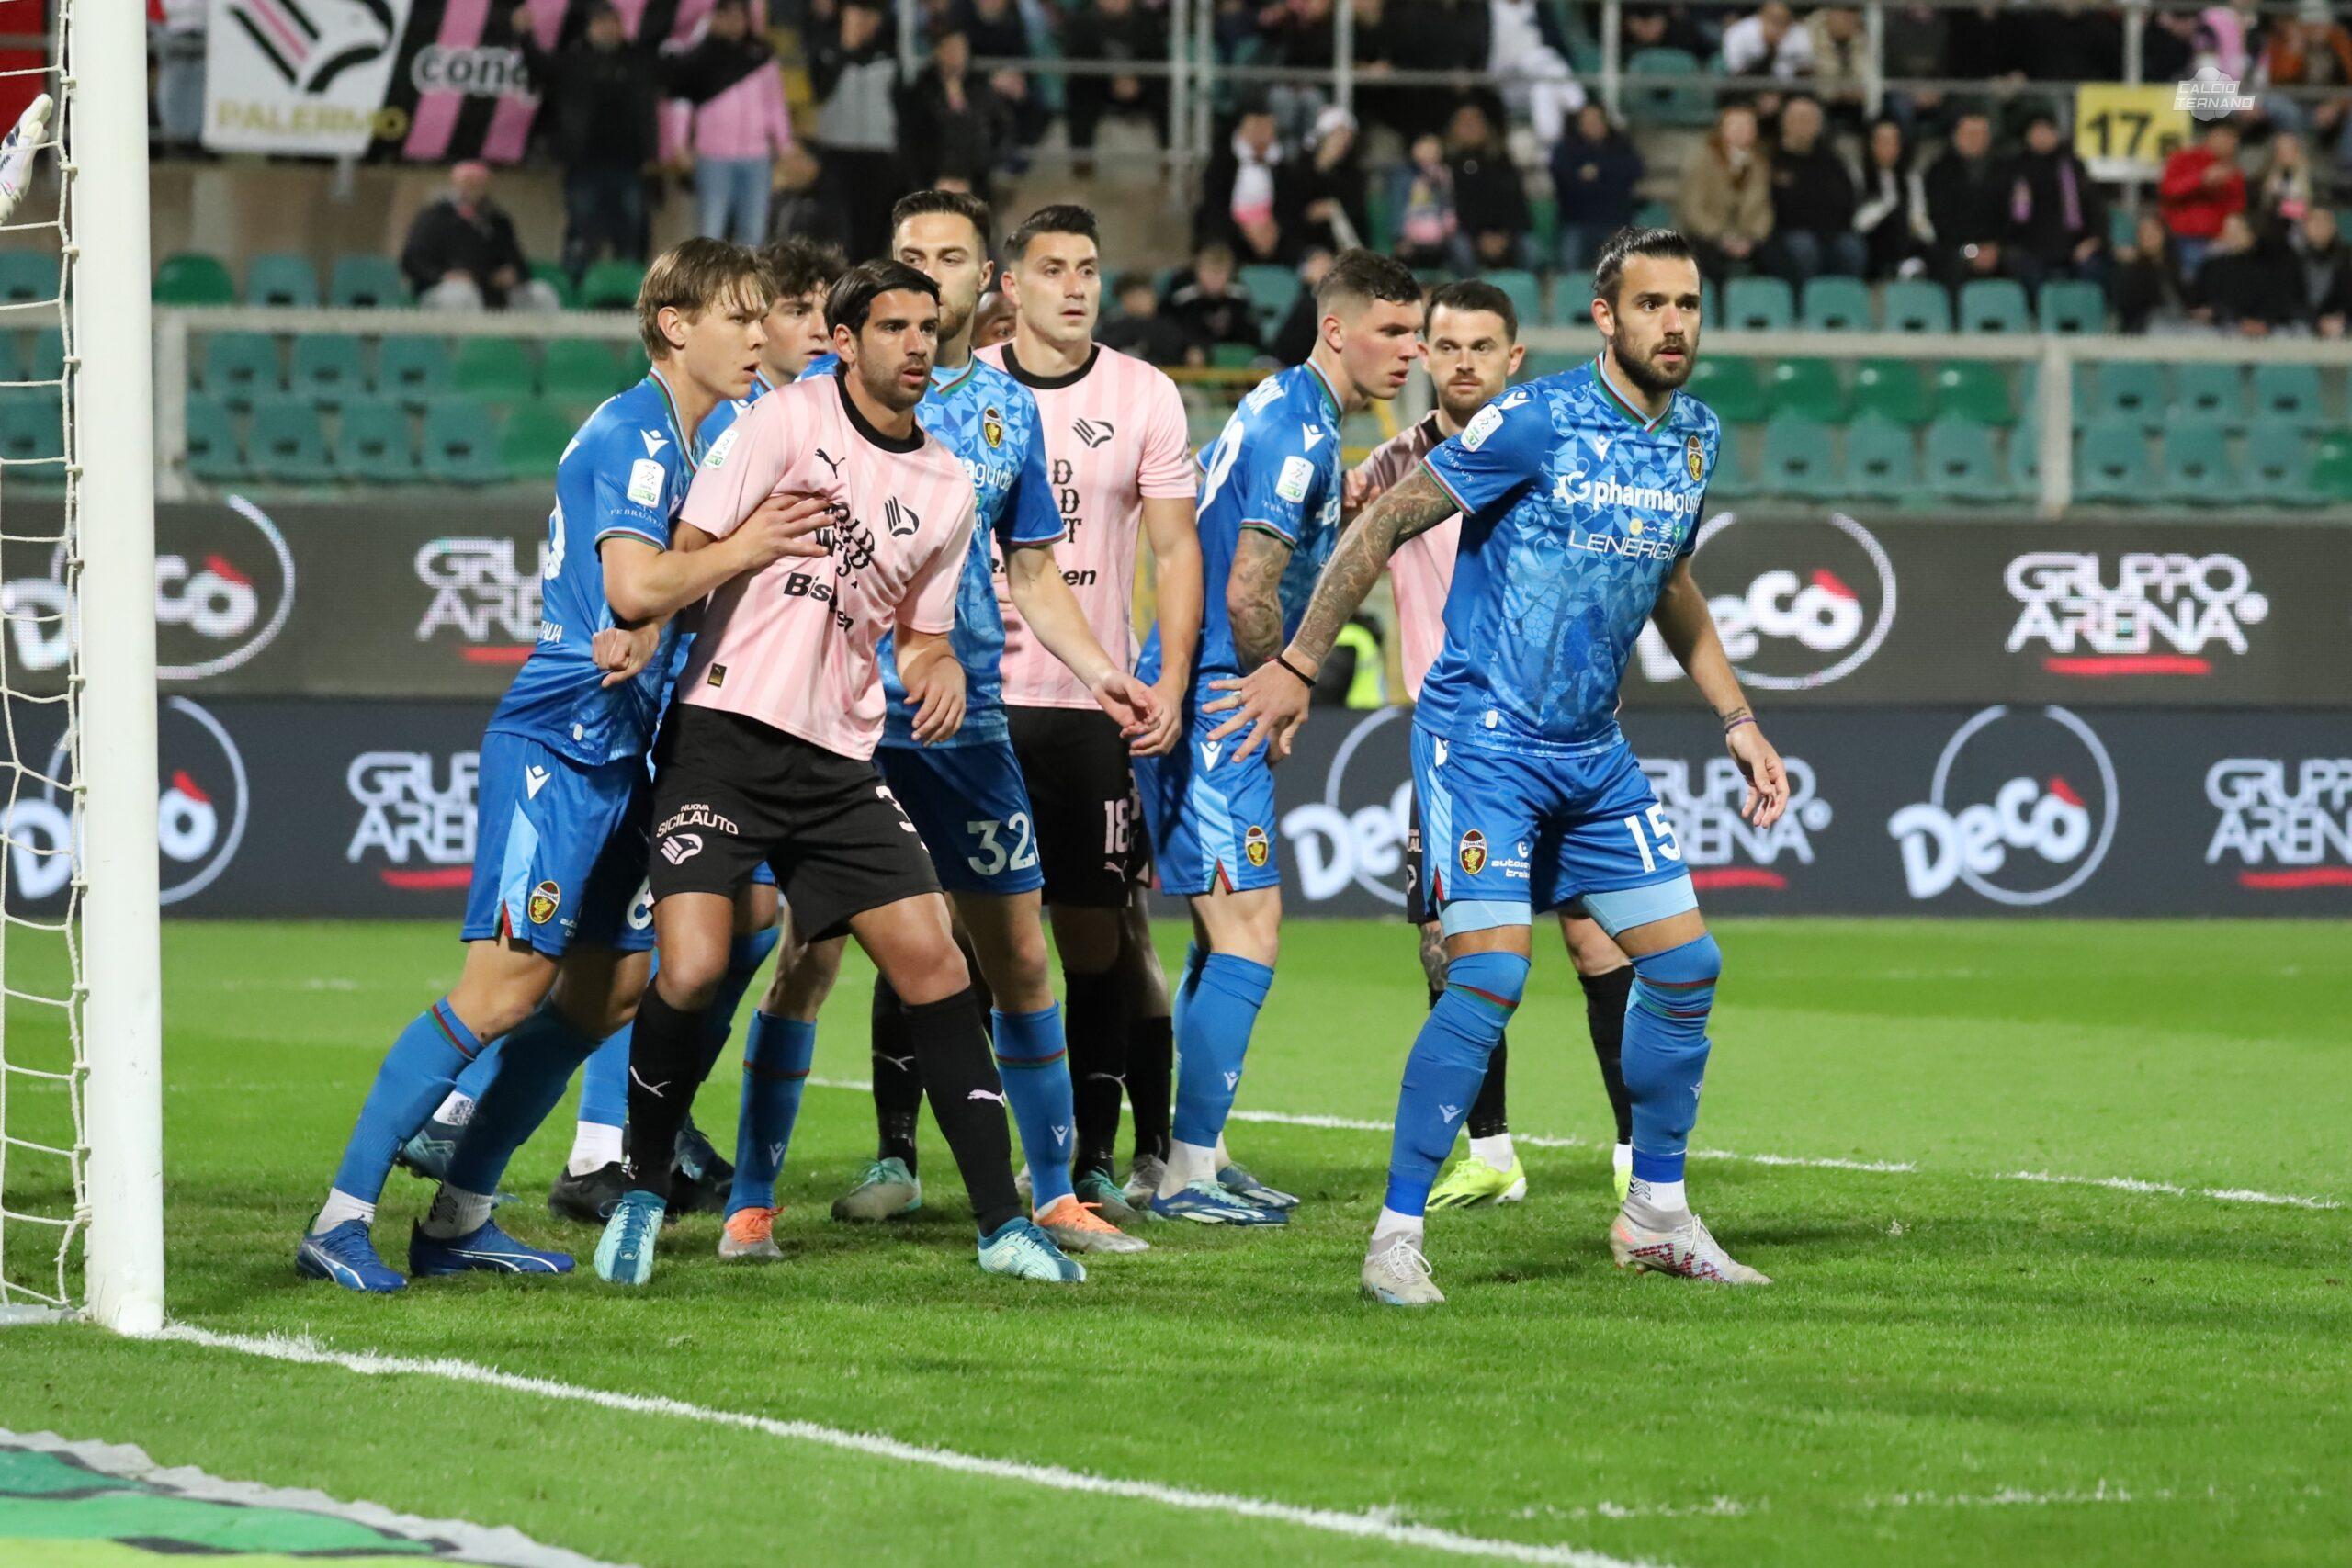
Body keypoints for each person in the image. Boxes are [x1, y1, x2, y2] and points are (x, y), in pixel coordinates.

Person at [1204, 226, 1791, 1306]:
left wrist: (1737, 718)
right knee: (1487, 974)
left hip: (1591, 751)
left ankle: (1656, 1216)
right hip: (1481, 742)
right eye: (1651, 304)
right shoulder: (1536, 419)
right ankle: (1393, 1239)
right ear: (1605, 316)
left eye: (1688, 305)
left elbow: (1671, 585)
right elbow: (1385, 519)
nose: (1674, 325)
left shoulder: (1693, 438)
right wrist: (1296, 662)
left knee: (1686, 967)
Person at [294, 240, 830, 1292]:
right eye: (737, 316)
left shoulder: (703, 436)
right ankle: (340, 1218)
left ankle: (459, 1220)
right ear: (674, 325)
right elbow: (631, 585)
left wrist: (664, 620)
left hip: (627, 751)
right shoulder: (635, 436)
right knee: (501, 992)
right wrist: (737, 552)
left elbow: (654, 601)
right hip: (560, 743)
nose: (757, 335)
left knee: (604, 997)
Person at [594, 260, 1092, 1287]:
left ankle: (1003, 1227)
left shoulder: (947, 485)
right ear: (846, 339)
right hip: (724, 736)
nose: (916, 344)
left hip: (838, 761)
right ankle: (639, 1192)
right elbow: (683, 553)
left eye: (927, 327)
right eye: (893, 326)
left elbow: (921, 637)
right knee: (691, 968)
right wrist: (658, 617)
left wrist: (938, 665)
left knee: (937, 965)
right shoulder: (780, 423)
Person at [774, 192, 1173, 1258]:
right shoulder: (815, 402)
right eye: (909, 257)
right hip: (836, 721)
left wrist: (1104, 673)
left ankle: (1053, 1196)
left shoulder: (1004, 413)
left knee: (1020, 957)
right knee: (796, 958)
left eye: (949, 258)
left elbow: (1033, 574)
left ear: (980, 278)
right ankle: (743, 1196)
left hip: (969, 725)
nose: (928, 277)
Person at [1129, 248, 1426, 1224]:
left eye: (1415, 332)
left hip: (1205, 689)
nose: (1410, 350)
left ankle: (1192, 1153)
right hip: (1218, 695)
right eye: (1392, 330)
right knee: (1250, 931)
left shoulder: (1286, 407)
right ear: (1335, 328)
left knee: (1220, 931)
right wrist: (1282, 683)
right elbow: (1249, 589)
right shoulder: (1299, 432)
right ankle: (1182, 1174)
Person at [1345, 279, 1638, 1210]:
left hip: (1559, 737)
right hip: (1455, 748)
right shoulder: (1389, 468)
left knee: (1598, 942)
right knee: (1452, 946)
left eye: (1483, 346)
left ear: (1514, 358)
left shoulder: (1564, 450)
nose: (1464, 361)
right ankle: (1493, 1152)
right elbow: (1332, 544)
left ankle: (1635, 1154)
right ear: (1424, 356)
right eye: (1448, 345)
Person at [982, 204, 1205, 1215]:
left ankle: (1091, 1157)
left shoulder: (1143, 392)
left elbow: (1175, 548)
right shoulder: (965, 391)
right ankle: (962, 1156)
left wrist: (1170, 678)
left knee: (1096, 939)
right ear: (1011, 284)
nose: (1074, 287)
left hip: (1089, 705)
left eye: (1088, 268)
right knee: (967, 944)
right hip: (977, 703)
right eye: (1053, 269)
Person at [513, 2, 662, 280]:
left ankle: (629, 294)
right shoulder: (573, 61)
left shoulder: (637, 62)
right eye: (601, 23)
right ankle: (577, 291)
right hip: (583, 165)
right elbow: (540, 68)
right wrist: (525, 36)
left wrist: (651, 156)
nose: (608, 29)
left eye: (613, 23)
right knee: (582, 236)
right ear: (590, 28)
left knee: (630, 236)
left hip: (628, 166)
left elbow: (649, 112)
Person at [662, 0, 793, 247]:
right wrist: (679, 143)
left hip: (756, 157)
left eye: (738, 16)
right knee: (711, 232)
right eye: (726, 15)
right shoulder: (700, 58)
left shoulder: (762, 57)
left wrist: (784, 145)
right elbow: (683, 102)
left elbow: (775, 105)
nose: (733, 22)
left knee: (754, 235)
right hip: (714, 157)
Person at [398, 161, 562, 310]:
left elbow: (519, 263)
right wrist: (445, 276)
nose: (474, 187)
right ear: (456, 183)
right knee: (462, 294)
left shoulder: (498, 221)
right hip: (443, 292)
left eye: (479, 182)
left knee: (541, 294)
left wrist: (513, 274)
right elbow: (411, 262)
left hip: (492, 292)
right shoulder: (434, 217)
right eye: (468, 181)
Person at [808, 0, 901, 262]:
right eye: (859, 15)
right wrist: (845, 48)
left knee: (873, 234)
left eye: (871, 15)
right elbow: (820, 90)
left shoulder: (889, 53)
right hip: (837, 153)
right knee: (838, 235)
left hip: (879, 155)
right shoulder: (825, 48)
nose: (866, 22)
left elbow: (903, 106)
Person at [897, 26, 1010, 199]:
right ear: (938, 52)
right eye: (951, 48)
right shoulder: (921, 92)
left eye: (961, 48)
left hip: (975, 183)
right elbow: (910, 140)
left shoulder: (981, 90)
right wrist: (929, 179)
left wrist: (983, 169)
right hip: (931, 184)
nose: (957, 55)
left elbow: (1002, 130)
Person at [2005, 107, 2109, 293]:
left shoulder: (2073, 165)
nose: (2042, 136)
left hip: (2074, 243)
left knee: (2092, 267)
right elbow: (2007, 215)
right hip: (2030, 245)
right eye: (2037, 131)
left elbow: (2094, 207)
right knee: (2022, 265)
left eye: (2047, 130)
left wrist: (2092, 241)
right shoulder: (2015, 169)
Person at [1765, 95, 1865, 284]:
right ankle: (1803, 299)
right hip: (1787, 232)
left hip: (1830, 232)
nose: (1803, 124)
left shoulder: (1831, 161)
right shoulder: (1772, 159)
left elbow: (1847, 198)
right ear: (1784, 122)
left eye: (1809, 119)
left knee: (1851, 247)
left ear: (1818, 125)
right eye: (1798, 118)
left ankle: (1844, 298)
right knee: (1804, 247)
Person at [1062, 0, 1170, 175]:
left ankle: (1170, 156)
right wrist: (1112, 78)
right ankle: (1082, 158)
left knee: (1165, 91)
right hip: (1099, 83)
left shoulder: (1148, 19)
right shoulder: (1081, 20)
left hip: (1140, 83)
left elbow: (1157, 57)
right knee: (1079, 91)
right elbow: (1078, 58)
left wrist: (1139, 80)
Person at [1677, 103, 1771, 283]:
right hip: (1707, 234)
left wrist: (1752, 238)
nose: (1741, 131)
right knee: (1709, 261)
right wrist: (1722, 237)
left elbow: (1764, 209)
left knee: (1775, 257)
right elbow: (1693, 210)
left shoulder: (1760, 164)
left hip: (1746, 235)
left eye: (1747, 126)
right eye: (1735, 125)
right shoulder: (1701, 160)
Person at [1549, 103, 1644, 273]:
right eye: (1588, 121)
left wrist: (1599, 170)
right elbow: (1568, 183)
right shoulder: (1565, 149)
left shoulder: (1621, 146)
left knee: (1622, 272)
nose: (1594, 125)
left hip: (1615, 221)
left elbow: (1635, 170)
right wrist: (1610, 178)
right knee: (1570, 269)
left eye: (1597, 120)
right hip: (1577, 221)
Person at [1922, 108, 2009, 288]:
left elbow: (2010, 213)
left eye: (1981, 134)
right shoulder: (1940, 171)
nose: (1976, 139)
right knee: (1948, 263)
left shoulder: (2004, 170)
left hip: (1996, 247)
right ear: (1956, 136)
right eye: (1970, 134)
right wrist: (1973, 250)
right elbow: (1940, 218)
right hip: (1956, 246)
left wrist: (1994, 246)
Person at [1446, 98, 1533, 273]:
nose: (1471, 127)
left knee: (1532, 249)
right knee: (1460, 248)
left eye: (1476, 121)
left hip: (1504, 233)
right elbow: (1453, 207)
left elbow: (1515, 203)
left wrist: (1505, 235)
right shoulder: (1446, 165)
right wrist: (1478, 237)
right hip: (1467, 233)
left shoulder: (1502, 162)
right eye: (1465, 123)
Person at [2159, 119, 2246, 280]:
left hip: (2221, 243)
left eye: (2233, 138)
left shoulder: (2234, 171)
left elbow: (2236, 206)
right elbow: (2168, 190)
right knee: (2192, 284)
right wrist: (2201, 180)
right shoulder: (2184, 159)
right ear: (2211, 136)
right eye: (2226, 136)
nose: (2230, 142)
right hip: (2187, 240)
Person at [1853, 116, 1932, 280]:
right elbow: (1858, 222)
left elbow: (1918, 216)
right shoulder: (1858, 176)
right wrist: (1886, 207)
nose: (1888, 147)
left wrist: (1927, 236)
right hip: (1871, 237)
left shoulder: (1910, 178)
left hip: (1906, 237)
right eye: (1883, 141)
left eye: (1894, 142)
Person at [1164, 242, 1263, 358]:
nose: (1214, 279)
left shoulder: (1239, 298)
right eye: (1208, 272)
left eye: (1220, 273)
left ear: (1230, 274)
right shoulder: (1183, 298)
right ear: (1197, 272)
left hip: (1231, 359)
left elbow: (1251, 335)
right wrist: (1188, 348)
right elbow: (1170, 329)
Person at [1389, 132, 1461, 272]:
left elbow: (1448, 202)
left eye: (1434, 148)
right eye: (1424, 147)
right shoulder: (1403, 175)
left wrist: (1448, 226)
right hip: (1412, 233)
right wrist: (1399, 237)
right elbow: (1397, 206)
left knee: (1460, 250)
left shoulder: (1445, 173)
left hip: (1440, 233)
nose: (1429, 152)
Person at [1099, 271, 1192, 367]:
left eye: (1144, 294)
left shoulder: (1170, 326)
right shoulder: (1114, 328)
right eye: (1133, 296)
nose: (1140, 300)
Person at [2292, 205, 2352, 337]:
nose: (2320, 226)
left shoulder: (2346, 257)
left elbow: (2347, 296)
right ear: (2305, 226)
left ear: (2334, 227)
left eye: (2325, 220)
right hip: (2303, 322)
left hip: (2339, 322)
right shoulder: (2293, 258)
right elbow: (2290, 299)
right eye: (2314, 220)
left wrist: (2339, 319)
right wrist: (2317, 321)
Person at [1720, 2, 1812, 81]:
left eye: (1782, 21)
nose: (1776, 26)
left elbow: (1807, 70)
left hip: (1789, 88)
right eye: (1772, 19)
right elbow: (1735, 69)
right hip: (1749, 85)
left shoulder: (1800, 35)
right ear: (1761, 16)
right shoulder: (1739, 32)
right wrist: (1767, 49)